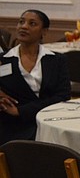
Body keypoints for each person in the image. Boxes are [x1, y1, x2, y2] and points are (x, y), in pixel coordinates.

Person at [1, 10, 71, 145]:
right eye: (21, 22)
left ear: (44, 32)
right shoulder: (3, 60)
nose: (24, 26)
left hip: (50, 121)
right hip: (11, 125)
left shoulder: (57, 60)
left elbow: (63, 96)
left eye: (32, 23)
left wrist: (21, 111)